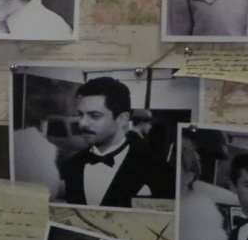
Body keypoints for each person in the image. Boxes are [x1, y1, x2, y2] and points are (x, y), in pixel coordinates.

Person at [57, 77, 174, 207]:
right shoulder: (73, 164)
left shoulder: (159, 171)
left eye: (94, 115)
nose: (82, 123)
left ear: (122, 119)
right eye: (80, 114)